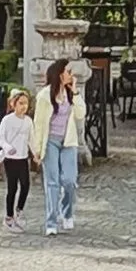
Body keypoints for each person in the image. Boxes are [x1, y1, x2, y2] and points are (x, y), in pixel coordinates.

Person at [40, 57, 84, 235]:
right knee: (52, 182)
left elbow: (81, 114)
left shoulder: (71, 94)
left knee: (69, 180)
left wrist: (75, 92)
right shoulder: (45, 95)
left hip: (68, 141)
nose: (70, 75)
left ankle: (67, 212)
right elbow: (39, 123)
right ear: (59, 74)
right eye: (67, 72)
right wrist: (37, 149)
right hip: (50, 140)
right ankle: (51, 222)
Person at [0, 88, 36, 228]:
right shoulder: (7, 120)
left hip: (23, 158)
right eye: (21, 103)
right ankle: (9, 216)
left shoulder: (28, 121)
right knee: (12, 188)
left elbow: (31, 140)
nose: (24, 106)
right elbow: (0, 138)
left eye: (26, 103)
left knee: (25, 185)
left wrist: (36, 154)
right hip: (11, 159)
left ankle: (19, 209)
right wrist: (7, 147)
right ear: (13, 104)